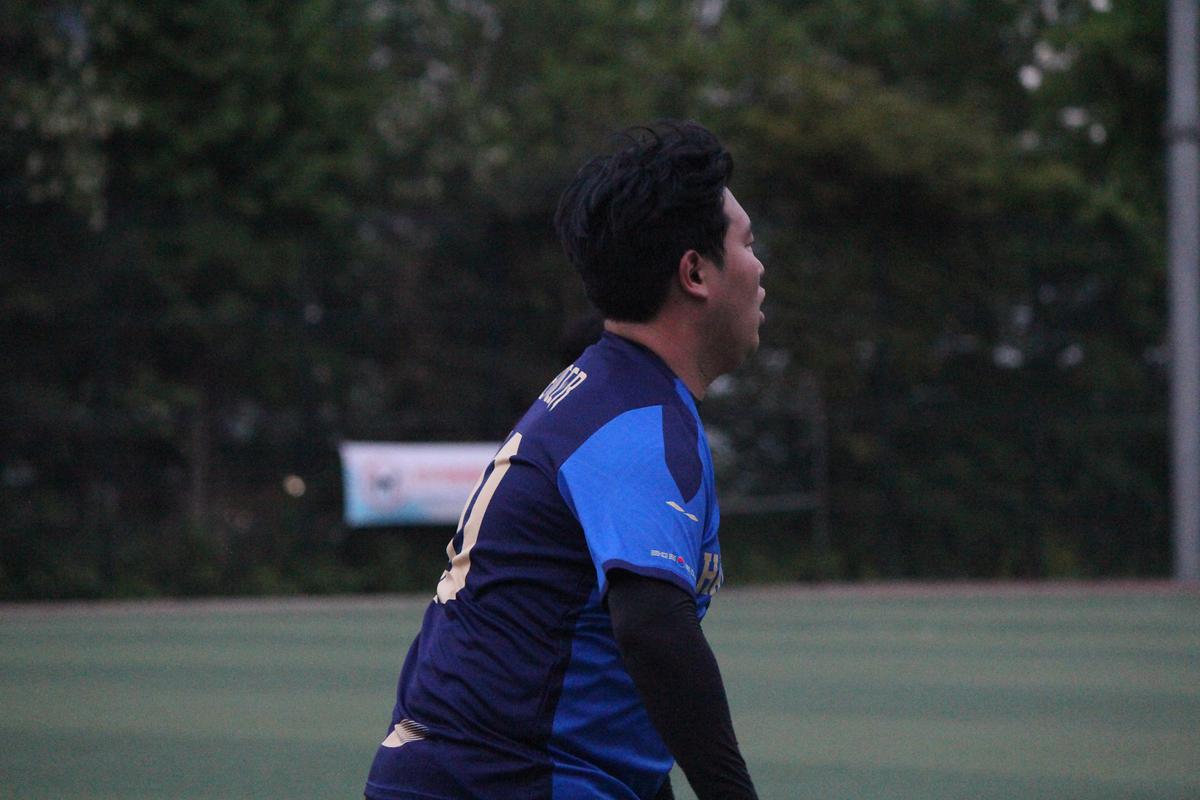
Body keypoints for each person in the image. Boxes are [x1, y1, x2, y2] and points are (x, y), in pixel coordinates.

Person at [364, 120, 764, 800]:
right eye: (747, 244)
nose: (759, 269)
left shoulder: (611, 390)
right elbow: (653, 630)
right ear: (695, 272)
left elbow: (612, 675)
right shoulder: (638, 420)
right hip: (498, 783)